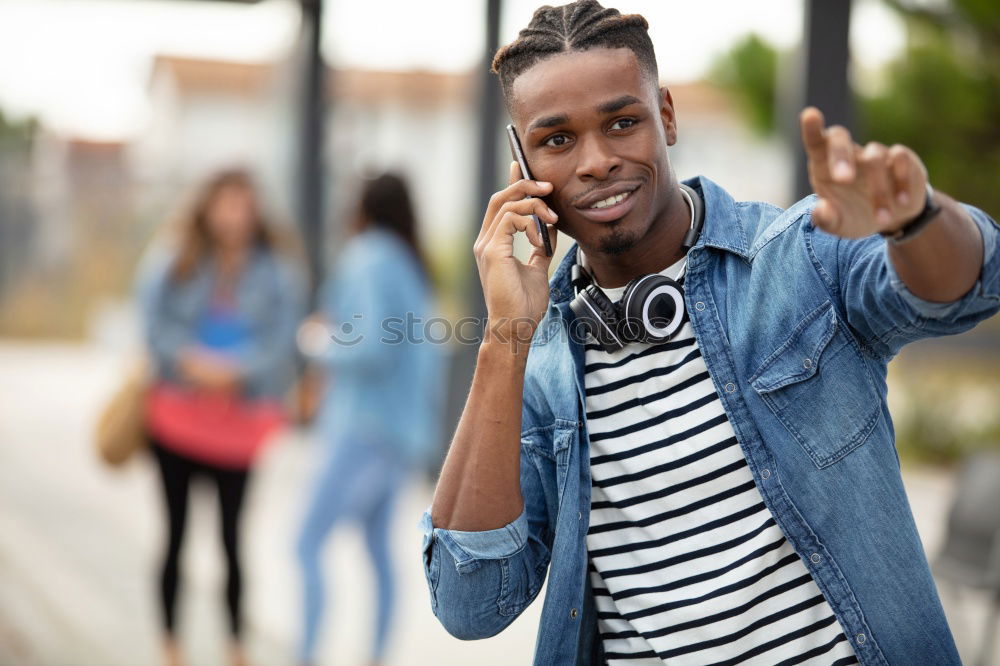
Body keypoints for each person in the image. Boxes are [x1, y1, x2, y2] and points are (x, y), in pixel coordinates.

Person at [419, 2, 999, 664]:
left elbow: (967, 285)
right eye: (557, 140)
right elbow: (469, 606)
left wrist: (914, 220)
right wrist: (506, 335)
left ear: (665, 115)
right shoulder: (536, 357)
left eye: (622, 122)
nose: (597, 160)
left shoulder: (799, 257)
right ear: (520, 160)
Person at [135, 168, 305, 666]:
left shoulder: (277, 271)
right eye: (225, 204)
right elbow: (151, 323)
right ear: (207, 207)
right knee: (175, 535)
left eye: (243, 205)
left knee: (232, 539)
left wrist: (234, 373)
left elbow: (283, 342)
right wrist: (190, 362)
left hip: (239, 426)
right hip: (175, 419)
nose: (234, 215)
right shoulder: (175, 259)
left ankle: (235, 646)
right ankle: (170, 644)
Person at [295, 173, 444, 666]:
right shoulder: (410, 265)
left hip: (363, 428)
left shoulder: (369, 256)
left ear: (360, 208)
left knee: (306, 542)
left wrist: (315, 342)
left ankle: (304, 655)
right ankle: (376, 657)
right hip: (401, 435)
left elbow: (371, 345)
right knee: (378, 553)